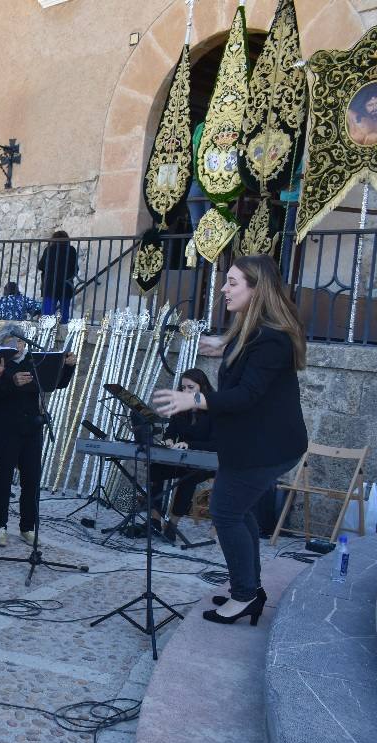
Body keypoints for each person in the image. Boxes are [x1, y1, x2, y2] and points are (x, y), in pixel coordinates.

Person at [153, 254, 307, 626]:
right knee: (238, 512)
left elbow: (247, 395)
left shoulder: (272, 340)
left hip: (267, 447)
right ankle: (248, 588)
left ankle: (244, 595)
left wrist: (195, 399)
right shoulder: (255, 333)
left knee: (225, 511)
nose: (223, 288)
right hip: (251, 445)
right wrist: (222, 343)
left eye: (233, 282)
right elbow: (248, 354)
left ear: (257, 290)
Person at [0, 327, 76, 547]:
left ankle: (28, 527)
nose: (16, 345)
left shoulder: (34, 361)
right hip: (4, 428)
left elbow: (54, 384)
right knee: (3, 479)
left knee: (32, 480)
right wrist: (10, 382)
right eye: (11, 341)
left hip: (32, 427)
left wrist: (68, 369)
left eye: (19, 341)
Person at [137, 368, 216, 543]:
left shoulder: (214, 409)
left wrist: (189, 444)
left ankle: (172, 525)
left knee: (189, 475)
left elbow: (217, 444)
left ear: (202, 388)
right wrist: (169, 440)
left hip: (209, 462)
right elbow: (171, 432)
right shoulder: (181, 409)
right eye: (183, 388)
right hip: (183, 458)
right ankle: (155, 520)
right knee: (155, 468)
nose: (185, 392)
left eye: (190, 387)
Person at [35, 231, 79, 322]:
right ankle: (63, 332)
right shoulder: (71, 250)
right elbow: (75, 269)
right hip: (66, 285)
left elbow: (41, 266)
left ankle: (46, 333)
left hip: (50, 285)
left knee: (47, 314)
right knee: (64, 314)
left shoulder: (49, 250)